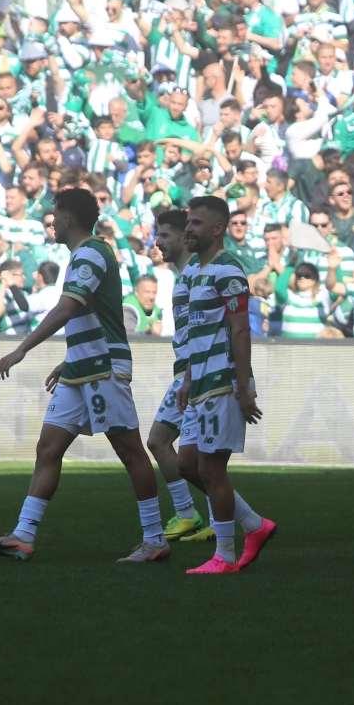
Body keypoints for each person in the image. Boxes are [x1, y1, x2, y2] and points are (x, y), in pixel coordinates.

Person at [0, 188, 169, 563]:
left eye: (53, 215)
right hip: (81, 366)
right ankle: (23, 536)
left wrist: (21, 349)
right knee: (48, 449)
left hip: (103, 367)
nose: (49, 222)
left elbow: (66, 309)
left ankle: (155, 540)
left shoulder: (91, 254)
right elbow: (93, 315)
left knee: (130, 451)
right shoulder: (85, 254)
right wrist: (70, 360)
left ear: (67, 219)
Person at [176, 196, 276, 575]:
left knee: (211, 468)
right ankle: (254, 525)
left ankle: (225, 556)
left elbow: (240, 330)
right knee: (188, 463)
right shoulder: (199, 271)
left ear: (218, 228)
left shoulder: (228, 270)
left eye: (196, 223)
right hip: (201, 382)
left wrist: (243, 387)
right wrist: (188, 378)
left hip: (223, 382)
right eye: (188, 222)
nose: (189, 228)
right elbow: (200, 334)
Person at [144, 209, 210, 544]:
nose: (158, 242)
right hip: (188, 371)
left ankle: (201, 516)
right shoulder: (183, 275)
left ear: (184, 237)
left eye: (165, 235)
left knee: (166, 444)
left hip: (196, 373)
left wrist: (192, 373)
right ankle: (198, 516)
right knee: (179, 449)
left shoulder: (196, 274)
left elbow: (209, 330)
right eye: (157, 235)